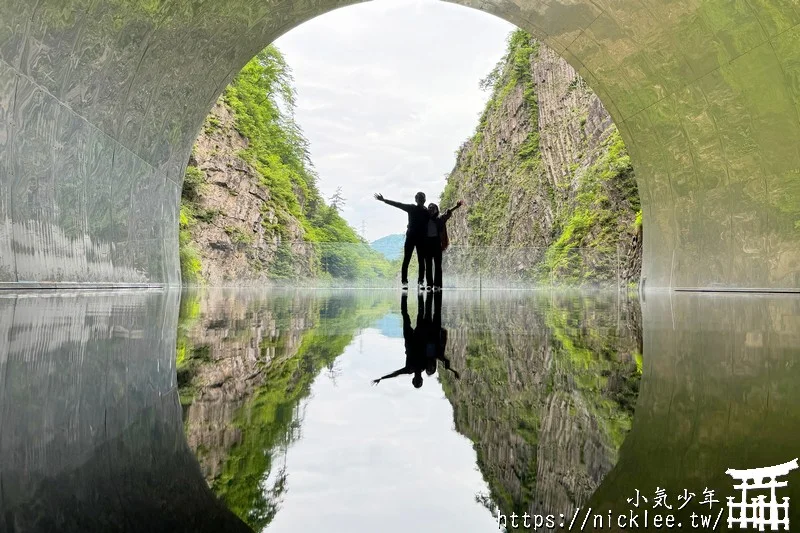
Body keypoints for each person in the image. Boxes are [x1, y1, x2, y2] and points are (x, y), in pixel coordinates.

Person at [374, 192, 430, 290]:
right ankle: (407, 282)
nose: (421, 200)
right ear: (417, 200)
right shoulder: (416, 209)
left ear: (423, 200)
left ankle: (418, 282)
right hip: (413, 238)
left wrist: (384, 200)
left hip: (418, 238)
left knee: (419, 261)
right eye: (420, 198)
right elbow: (398, 204)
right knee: (409, 260)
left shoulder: (425, 212)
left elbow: (436, 219)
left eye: (422, 198)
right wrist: (384, 200)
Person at [424, 200, 463, 291]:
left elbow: (448, 213)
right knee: (428, 265)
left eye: (432, 208)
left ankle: (437, 285)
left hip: (437, 242)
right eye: (429, 208)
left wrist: (456, 206)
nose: (430, 210)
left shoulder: (439, 219)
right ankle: (429, 284)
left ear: (436, 210)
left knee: (438, 266)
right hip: (427, 243)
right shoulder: (424, 220)